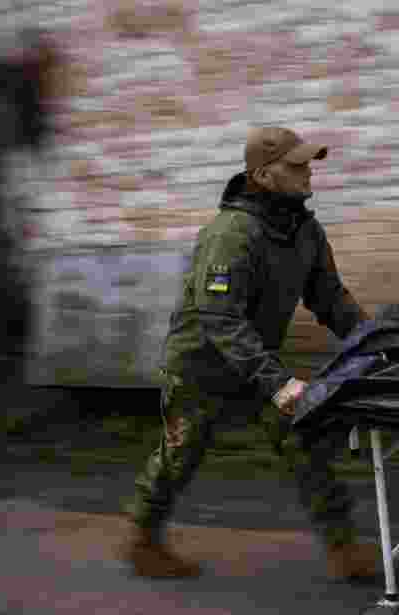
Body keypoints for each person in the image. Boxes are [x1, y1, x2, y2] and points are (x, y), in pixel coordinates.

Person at [123, 126, 380, 580]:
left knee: (303, 438)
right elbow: (219, 317)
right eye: (295, 165)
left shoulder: (305, 230)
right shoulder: (231, 233)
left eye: (308, 163)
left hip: (254, 359)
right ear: (263, 175)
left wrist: (371, 339)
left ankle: (343, 548)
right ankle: (142, 540)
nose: (307, 172)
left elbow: (329, 297)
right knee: (182, 452)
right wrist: (278, 382)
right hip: (200, 365)